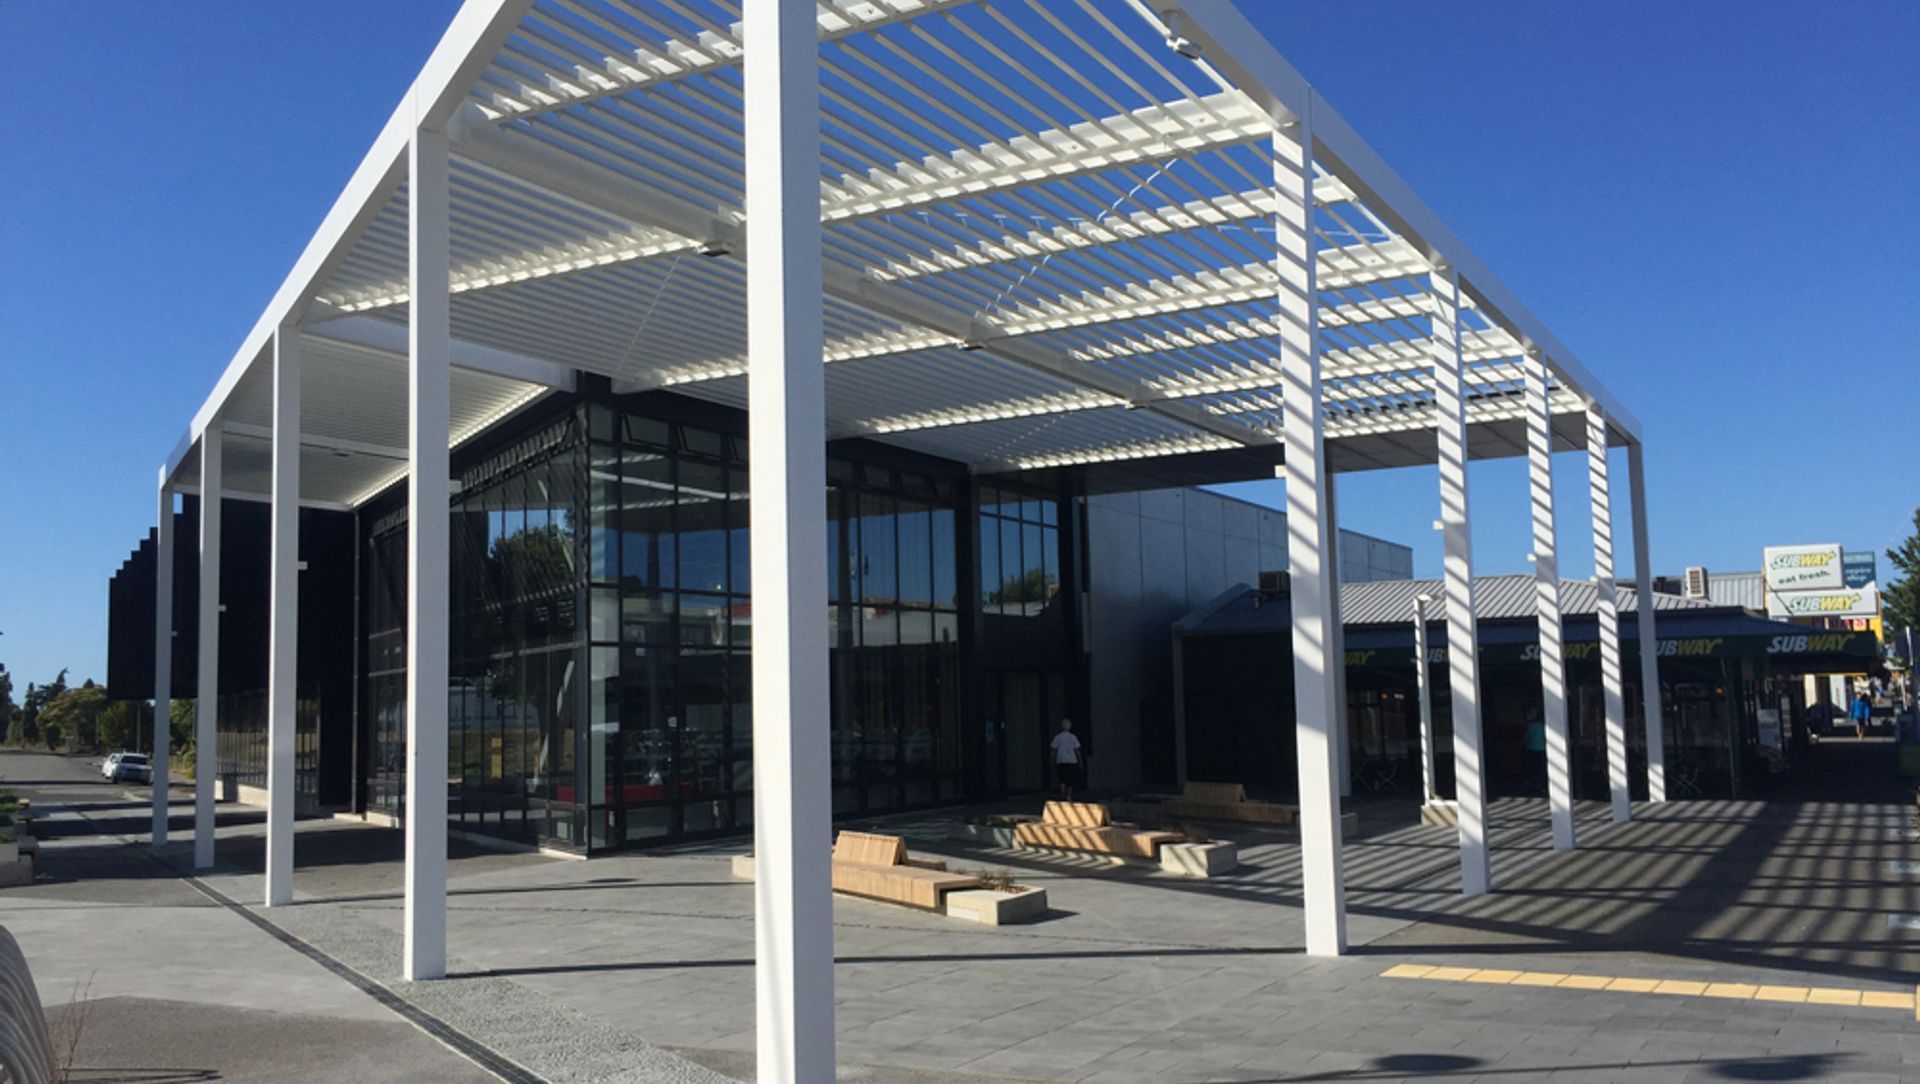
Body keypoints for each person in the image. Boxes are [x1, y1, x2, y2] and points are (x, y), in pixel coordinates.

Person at [1049, 719, 1084, 797]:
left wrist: (1052, 760)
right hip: (1071, 760)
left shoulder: (1058, 737)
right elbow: (1077, 750)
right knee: (1070, 778)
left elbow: (1053, 750)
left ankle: (1062, 791)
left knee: (1062, 776)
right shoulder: (1073, 737)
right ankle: (1068, 795)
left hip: (1061, 759)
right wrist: (1080, 761)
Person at [1524, 709, 1547, 793]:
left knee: (1533, 767)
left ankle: (1533, 783)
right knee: (1542, 768)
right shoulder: (1543, 727)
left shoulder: (1531, 726)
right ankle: (1542, 786)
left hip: (1532, 748)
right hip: (1542, 749)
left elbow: (1527, 738)